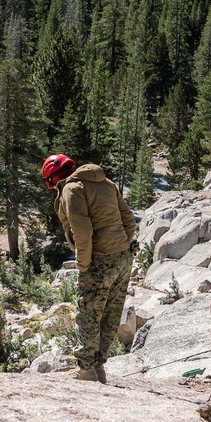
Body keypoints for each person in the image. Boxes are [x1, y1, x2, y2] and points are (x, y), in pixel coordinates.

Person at [42, 154, 137, 384]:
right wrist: (122, 246)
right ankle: (99, 368)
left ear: (52, 177)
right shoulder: (105, 183)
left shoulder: (71, 189)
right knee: (110, 315)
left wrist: (84, 264)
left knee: (88, 314)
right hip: (123, 259)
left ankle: (86, 370)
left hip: (99, 260)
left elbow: (81, 231)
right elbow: (130, 221)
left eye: (49, 181)